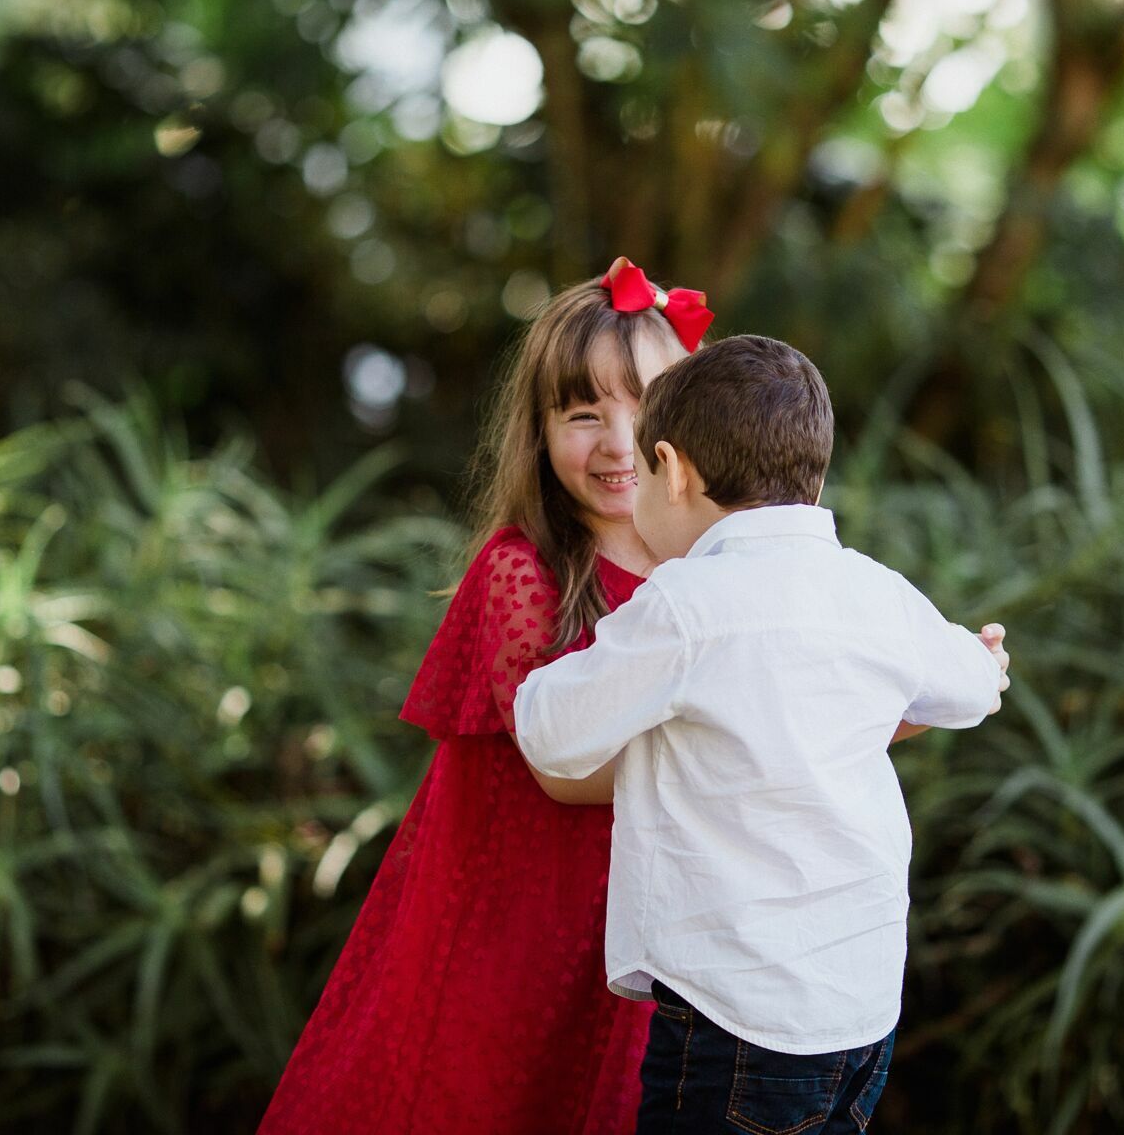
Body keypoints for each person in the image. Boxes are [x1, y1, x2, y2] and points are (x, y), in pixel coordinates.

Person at [256, 260, 715, 1135]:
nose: (620, 444)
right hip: (507, 943)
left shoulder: (716, 577)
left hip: (647, 939)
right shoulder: (522, 574)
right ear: (539, 433)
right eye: (584, 415)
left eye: (646, 408)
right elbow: (563, 768)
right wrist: (782, 740)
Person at [513, 334, 1011, 1135]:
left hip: (732, 1020)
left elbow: (547, 730)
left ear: (671, 471)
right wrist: (986, 662)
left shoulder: (684, 607)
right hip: (860, 1016)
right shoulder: (871, 590)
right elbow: (968, 689)